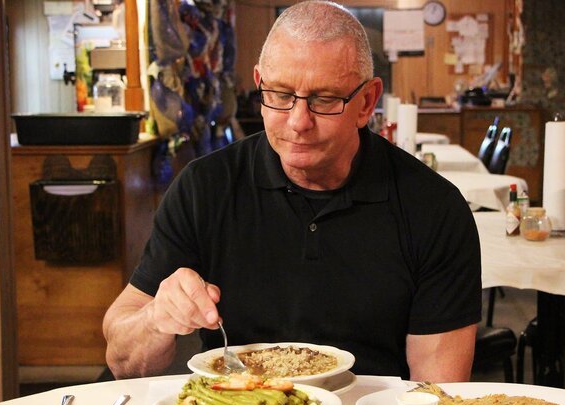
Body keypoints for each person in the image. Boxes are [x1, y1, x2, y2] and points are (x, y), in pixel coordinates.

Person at [103, 0, 481, 382]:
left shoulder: (432, 207)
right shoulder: (204, 188)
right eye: (281, 95)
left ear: (366, 102)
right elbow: (123, 362)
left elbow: (437, 396)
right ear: (260, 84)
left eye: (324, 99)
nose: (299, 122)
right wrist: (157, 318)